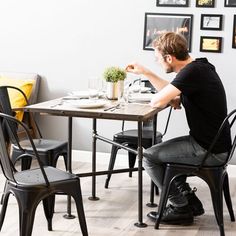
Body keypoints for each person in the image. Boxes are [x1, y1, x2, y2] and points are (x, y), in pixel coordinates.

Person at [126, 32, 231, 225]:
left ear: (169, 58)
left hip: (209, 150)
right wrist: (147, 73)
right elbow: (171, 90)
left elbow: (158, 100)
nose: (159, 63)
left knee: (148, 157)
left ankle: (179, 207)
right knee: (162, 153)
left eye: (159, 59)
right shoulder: (198, 68)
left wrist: (162, 98)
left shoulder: (192, 72)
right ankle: (190, 201)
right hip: (213, 144)